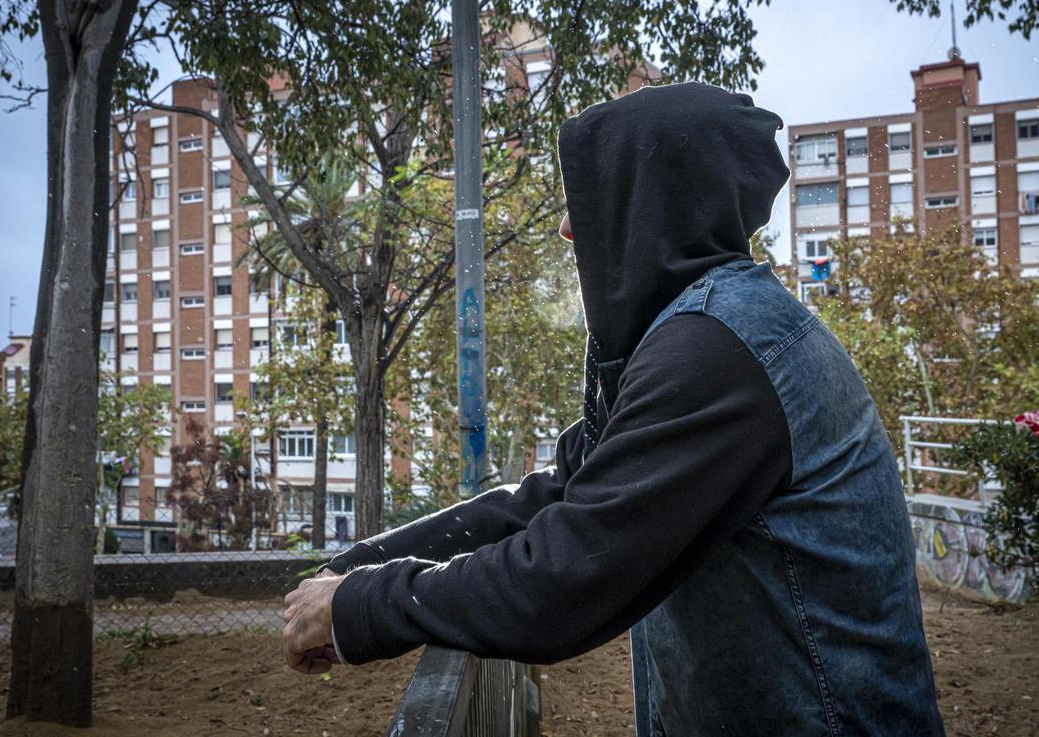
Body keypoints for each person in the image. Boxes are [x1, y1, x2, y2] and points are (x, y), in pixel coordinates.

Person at [281, 82, 945, 735]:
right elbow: (552, 494)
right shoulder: (699, 333)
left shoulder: (718, 354)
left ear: (651, 203)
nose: (570, 227)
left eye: (591, 199)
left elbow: (564, 577)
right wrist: (356, 566)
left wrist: (361, 609)